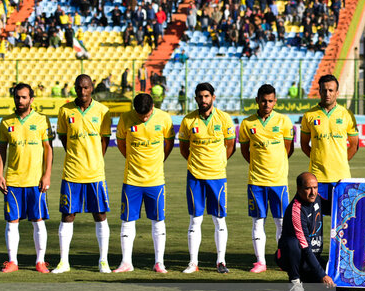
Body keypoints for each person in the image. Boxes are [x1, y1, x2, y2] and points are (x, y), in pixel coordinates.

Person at [54, 75, 113, 273]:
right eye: (79, 88)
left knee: (100, 215)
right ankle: (64, 262)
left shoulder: (103, 111)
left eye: (86, 87)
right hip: (72, 172)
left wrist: (95, 158)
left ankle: (103, 261)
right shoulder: (65, 110)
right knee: (68, 215)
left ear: (92, 88)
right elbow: (63, 137)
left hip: (95, 173)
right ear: (75, 88)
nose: (83, 91)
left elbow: (104, 141)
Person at [178, 82, 236, 274]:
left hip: (217, 176)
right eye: (200, 97)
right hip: (195, 176)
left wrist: (217, 162)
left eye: (206, 96)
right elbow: (185, 149)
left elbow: (230, 145)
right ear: (195, 99)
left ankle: (221, 261)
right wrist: (197, 162)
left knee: (219, 219)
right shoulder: (188, 121)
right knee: (195, 219)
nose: (203, 100)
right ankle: (193, 263)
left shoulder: (224, 119)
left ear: (213, 97)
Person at [113, 93, 174, 272]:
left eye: (146, 116)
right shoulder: (125, 119)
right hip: (131, 179)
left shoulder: (164, 118)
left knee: (157, 220)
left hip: (155, 180)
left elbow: (169, 143)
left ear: (153, 107)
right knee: (127, 220)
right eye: (140, 117)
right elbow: (121, 143)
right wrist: (132, 160)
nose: (144, 119)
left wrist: (159, 160)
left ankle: (159, 262)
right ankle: (126, 262)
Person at [0, 83, 53, 273]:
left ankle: (40, 261)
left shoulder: (42, 120)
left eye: (23, 97)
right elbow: (2, 150)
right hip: (13, 181)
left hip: (35, 181)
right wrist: (0, 174)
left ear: (31, 99)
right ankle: (12, 261)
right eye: (17, 97)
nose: (19, 100)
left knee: (38, 221)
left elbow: (48, 149)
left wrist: (47, 175)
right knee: (12, 222)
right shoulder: (6, 122)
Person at [239, 84, 294, 273]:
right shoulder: (247, 124)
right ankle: (260, 262)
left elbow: (289, 148)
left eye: (270, 101)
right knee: (258, 221)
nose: (266, 104)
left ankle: (282, 260)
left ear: (275, 101)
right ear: (257, 100)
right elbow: (246, 151)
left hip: (278, 182)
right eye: (263, 100)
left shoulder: (284, 121)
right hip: (256, 182)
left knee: (281, 222)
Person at [300, 74, 359, 213]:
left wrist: (341, 161)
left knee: (341, 219)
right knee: (314, 219)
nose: (327, 94)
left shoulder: (346, 115)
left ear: (337, 92)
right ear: (319, 91)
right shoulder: (309, 115)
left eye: (331, 90)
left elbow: (354, 145)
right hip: (317, 178)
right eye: (324, 90)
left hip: (341, 177)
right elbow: (304, 145)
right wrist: (318, 159)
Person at [276, 172, 335, 291]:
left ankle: (307, 277)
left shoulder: (317, 197)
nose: (313, 192)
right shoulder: (296, 211)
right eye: (308, 188)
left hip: (313, 258)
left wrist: (345, 191)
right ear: (299, 189)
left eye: (315, 187)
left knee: (334, 282)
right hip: (295, 256)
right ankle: (295, 281)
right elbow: (305, 247)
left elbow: (332, 207)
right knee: (293, 242)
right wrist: (322, 275)